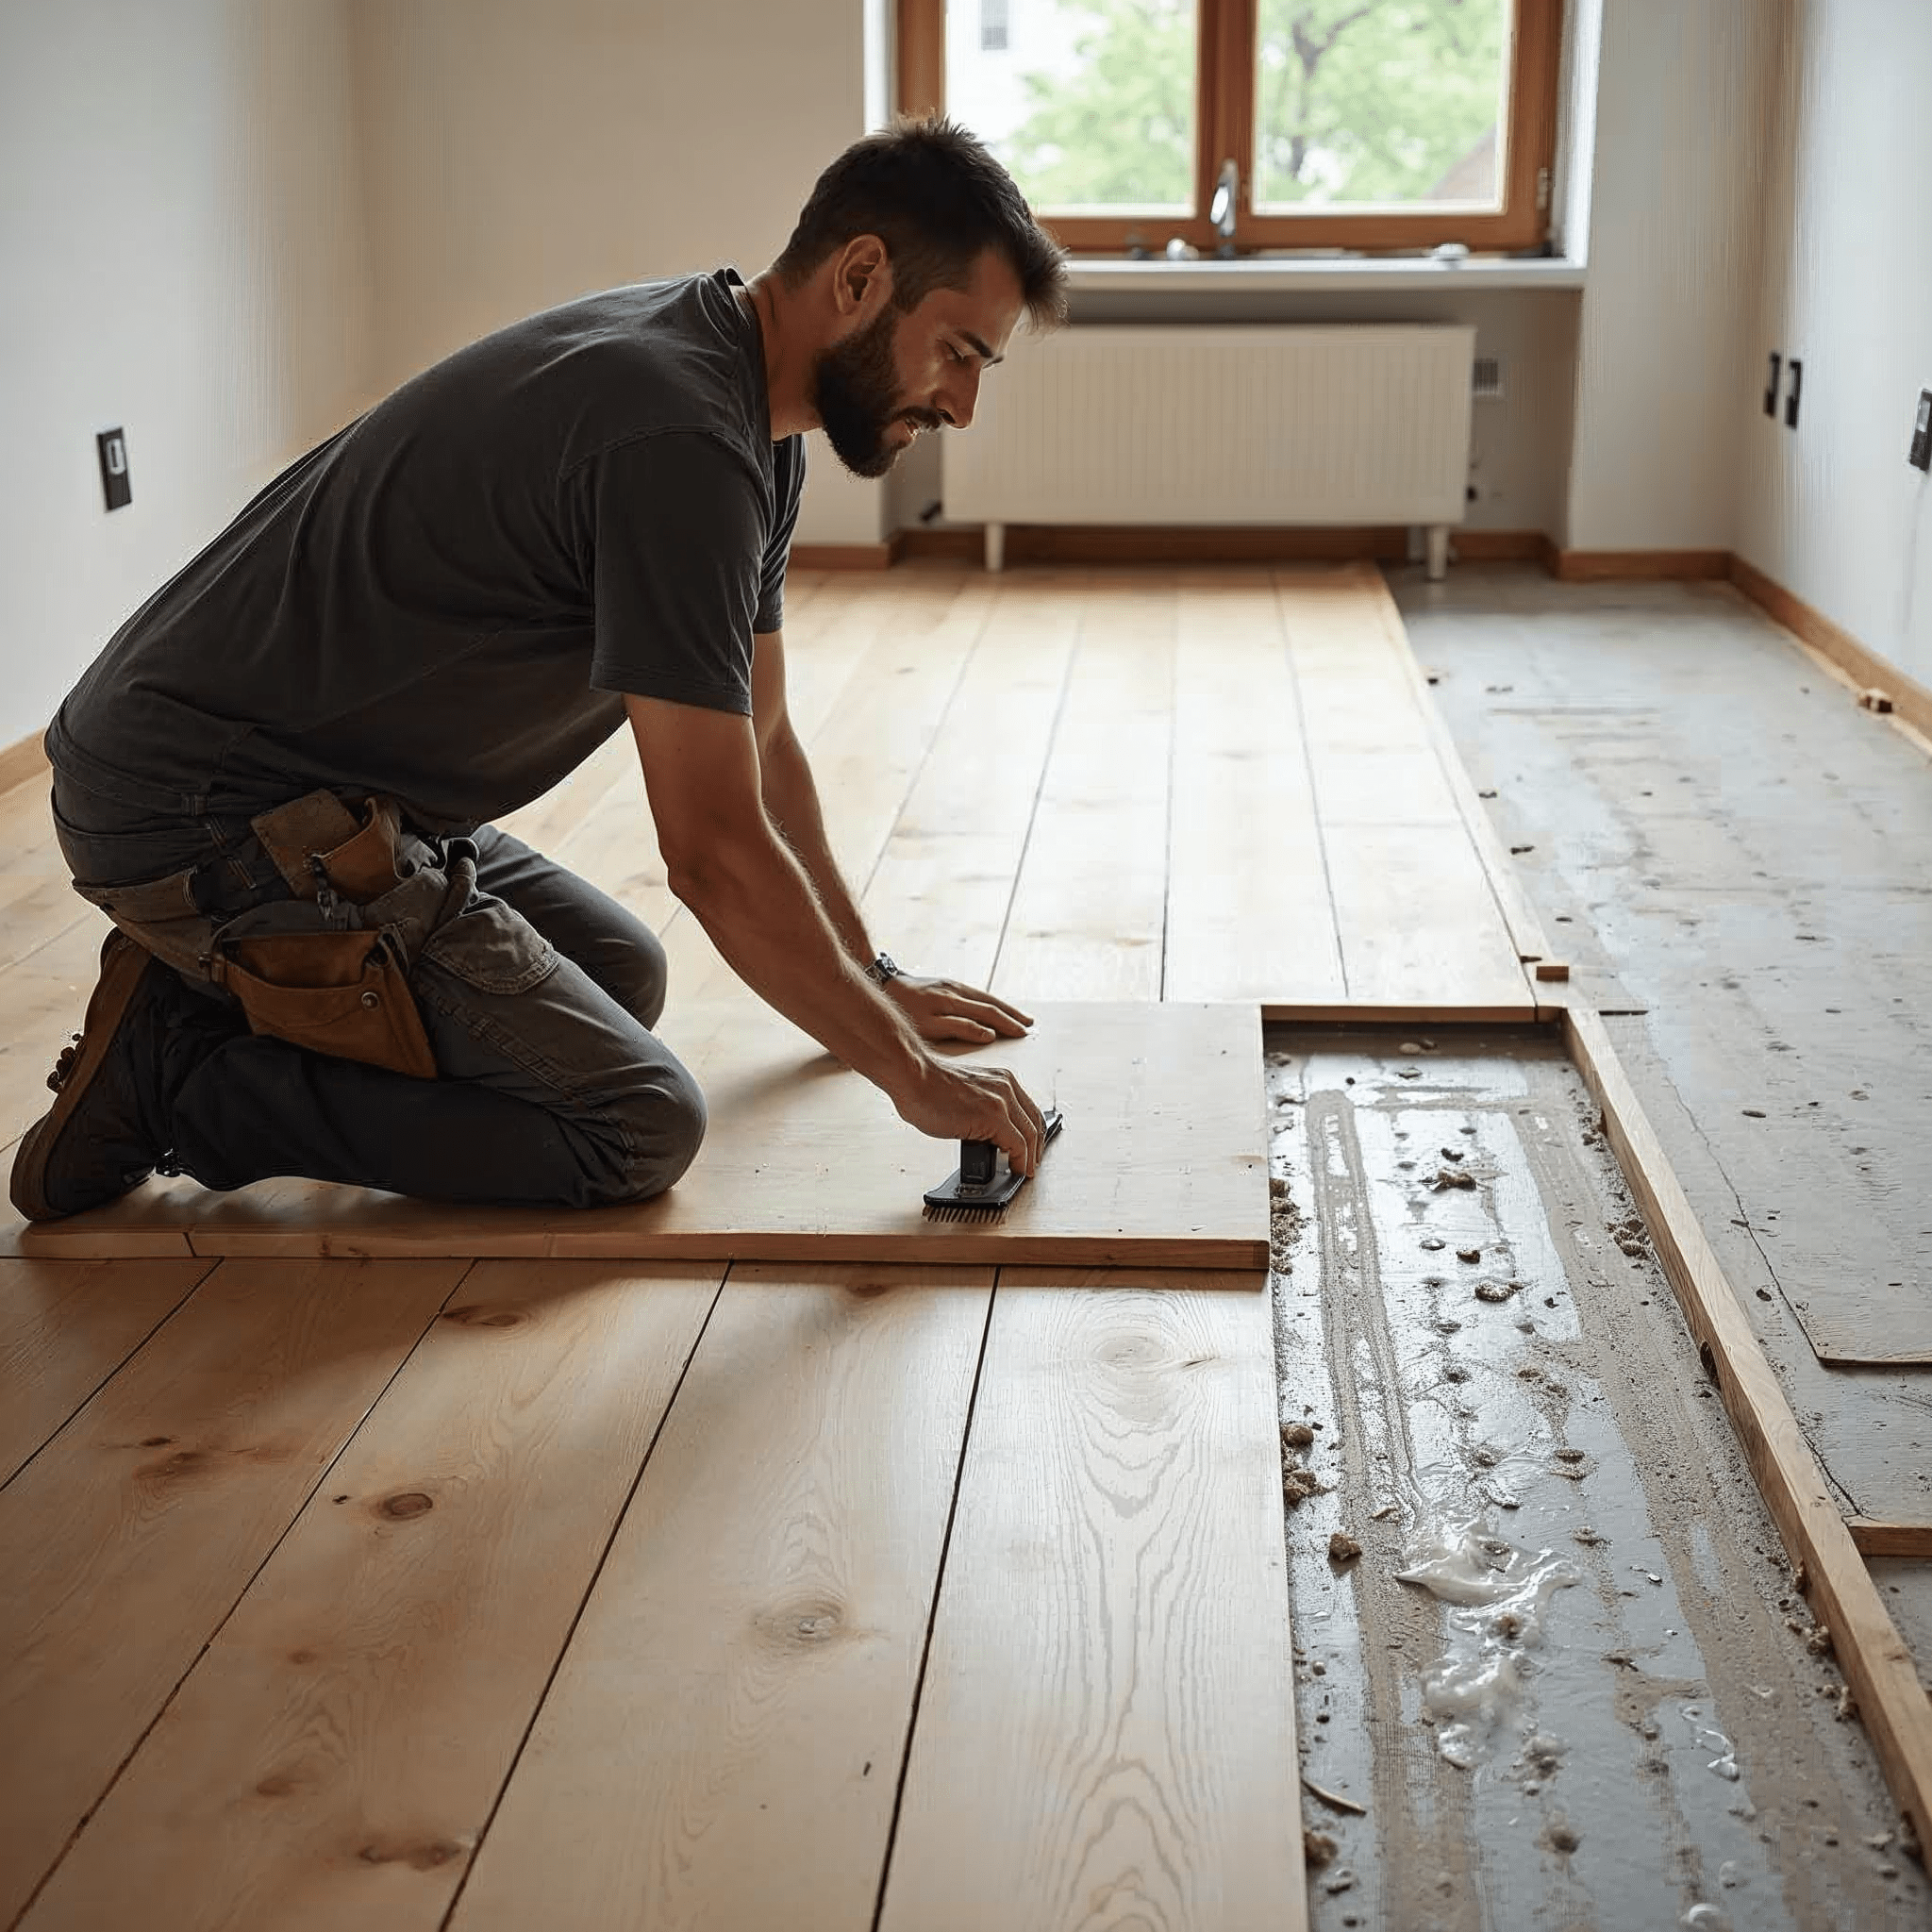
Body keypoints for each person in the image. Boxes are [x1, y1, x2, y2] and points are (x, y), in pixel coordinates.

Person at [11, 117, 1069, 1224]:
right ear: (859, 277)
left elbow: (760, 734)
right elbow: (710, 850)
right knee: (634, 1125)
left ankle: (214, 1003)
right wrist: (913, 1078)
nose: (961, 404)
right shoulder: (681, 446)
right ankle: (181, 1085)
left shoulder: (752, 417)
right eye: (958, 352)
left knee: (620, 971)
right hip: (198, 810)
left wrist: (875, 983)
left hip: (309, 790)